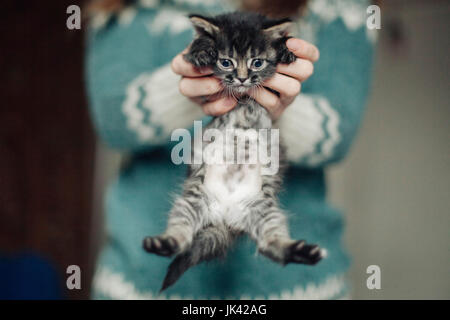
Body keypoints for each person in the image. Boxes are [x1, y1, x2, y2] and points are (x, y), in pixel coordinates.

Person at [86, 0, 375, 299]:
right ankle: (175, 239)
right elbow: (111, 119)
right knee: (194, 205)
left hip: (297, 289)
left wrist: (271, 106)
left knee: (260, 213)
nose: (239, 77)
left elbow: (336, 134)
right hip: (139, 286)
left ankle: (282, 246)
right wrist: (191, 87)